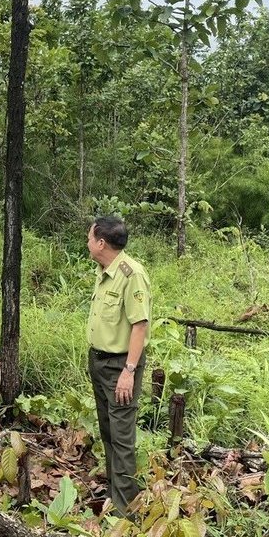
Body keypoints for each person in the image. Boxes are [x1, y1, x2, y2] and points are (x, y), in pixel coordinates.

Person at [85, 215, 151, 516]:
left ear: (101, 242)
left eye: (89, 237)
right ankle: (115, 491)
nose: (87, 242)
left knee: (122, 437)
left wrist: (129, 371)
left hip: (120, 367)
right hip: (99, 361)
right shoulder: (105, 270)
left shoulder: (131, 274)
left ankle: (126, 512)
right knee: (108, 430)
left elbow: (140, 326)